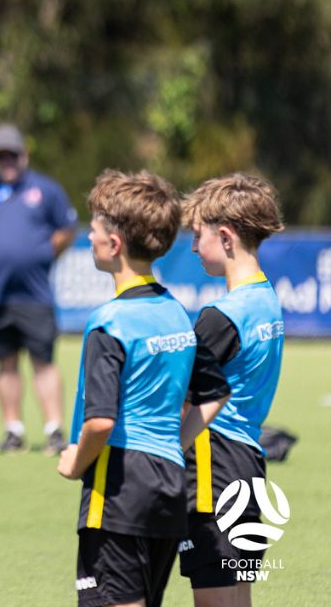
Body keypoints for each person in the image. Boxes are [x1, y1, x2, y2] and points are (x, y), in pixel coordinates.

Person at [56, 170, 230, 607]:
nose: (88, 237)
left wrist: (75, 461)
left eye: (93, 229)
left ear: (114, 245)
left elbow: (99, 420)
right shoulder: (176, 313)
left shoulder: (109, 323)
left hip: (118, 485)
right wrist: (174, 443)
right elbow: (214, 393)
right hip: (169, 485)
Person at [177, 174, 285, 607]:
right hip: (247, 461)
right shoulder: (267, 299)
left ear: (225, 236)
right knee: (238, 593)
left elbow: (184, 396)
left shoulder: (221, 317)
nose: (190, 247)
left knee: (214, 595)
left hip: (213, 467)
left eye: (196, 235)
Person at [0, 123, 77, 454]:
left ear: (25, 154)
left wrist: (45, 253)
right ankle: (13, 430)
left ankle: (53, 430)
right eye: (1, 155)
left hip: (35, 293)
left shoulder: (46, 189)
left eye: (13, 154)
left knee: (43, 362)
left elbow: (67, 228)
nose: (8, 160)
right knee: (5, 363)